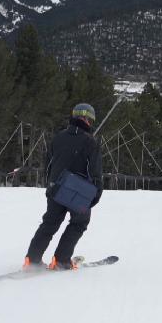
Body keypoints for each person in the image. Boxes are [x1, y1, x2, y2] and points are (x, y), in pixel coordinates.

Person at [24, 103, 104, 270]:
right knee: (79, 223)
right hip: (78, 192)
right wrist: (95, 195)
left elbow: (48, 166)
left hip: (55, 188)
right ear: (89, 120)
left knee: (50, 223)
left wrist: (50, 185)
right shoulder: (90, 142)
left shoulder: (58, 137)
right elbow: (95, 172)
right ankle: (61, 260)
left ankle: (32, 260)